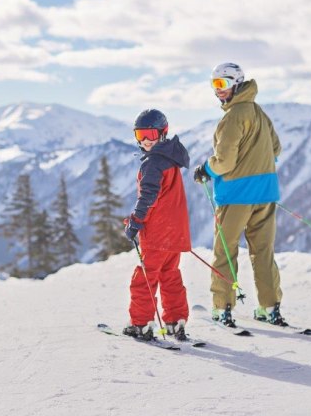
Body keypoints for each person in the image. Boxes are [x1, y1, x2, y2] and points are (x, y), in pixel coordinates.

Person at [193, 62, 287, 327]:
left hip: (235, 196)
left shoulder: (233, 117)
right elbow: (276, 148)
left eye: (222, 85)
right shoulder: (259, 112)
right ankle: (270, 308)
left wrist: (206, 169)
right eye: (214, 85)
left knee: (225, 251)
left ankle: (222, 308)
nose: (217, 92)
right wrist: (260, 164)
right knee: (263, 251)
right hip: (266, 193)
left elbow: (224, 162)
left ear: (237, 83)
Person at [122, 109, 192, 341]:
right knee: (170, 275)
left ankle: (141, 324)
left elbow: (148, 196)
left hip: (158, 234)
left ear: (163, 133)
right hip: (176, 233)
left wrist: (136, 220)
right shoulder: (171, 160)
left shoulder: (153, 163)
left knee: (145, 278)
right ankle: (175, 320)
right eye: (139, 135)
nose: (145, 141)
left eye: (150, 134)